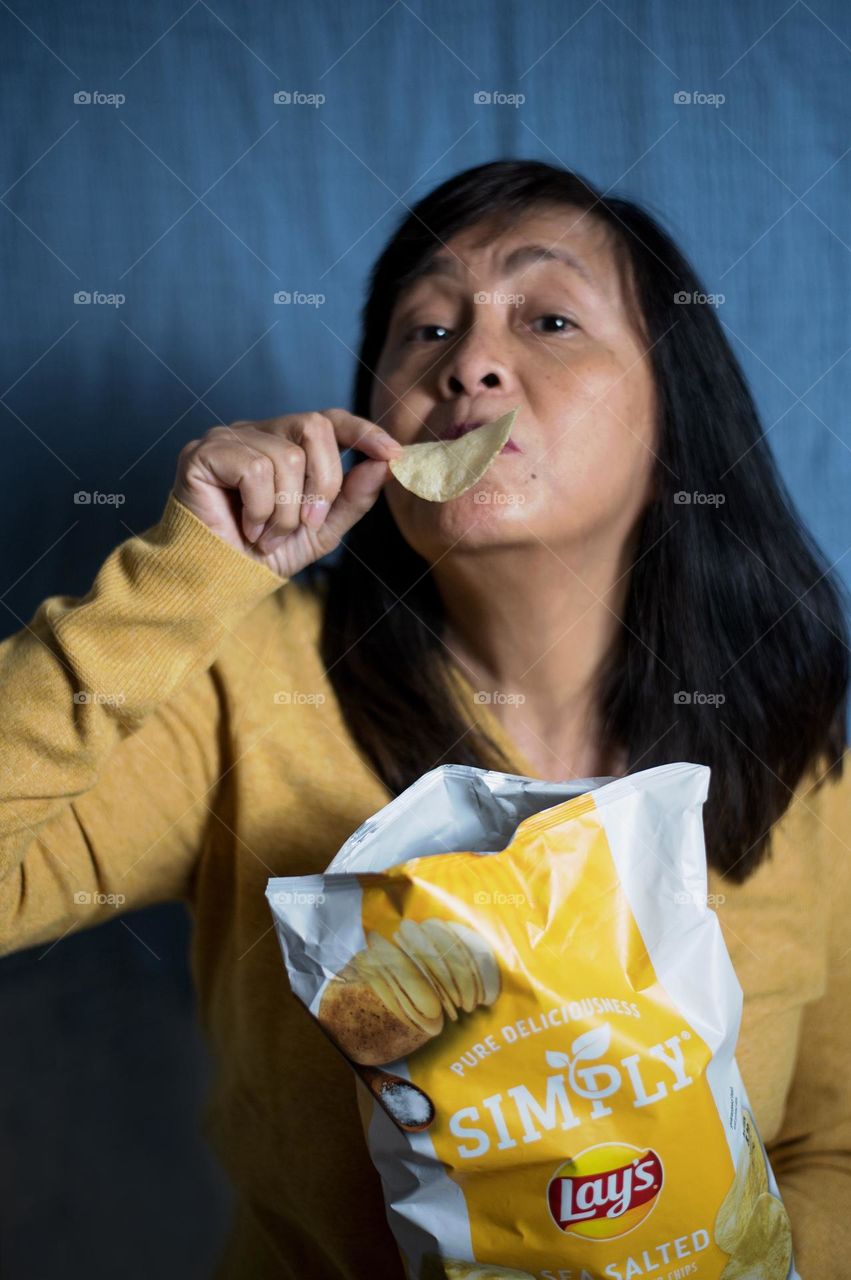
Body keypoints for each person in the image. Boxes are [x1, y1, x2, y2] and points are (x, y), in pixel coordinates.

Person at [1, 159, 848, 1278]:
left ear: (672, 420)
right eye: (423, 331)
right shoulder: (242, 683)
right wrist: (188, 574)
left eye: (548, 317)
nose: (470, 363)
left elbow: (826, 1142)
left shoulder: (786, 756)